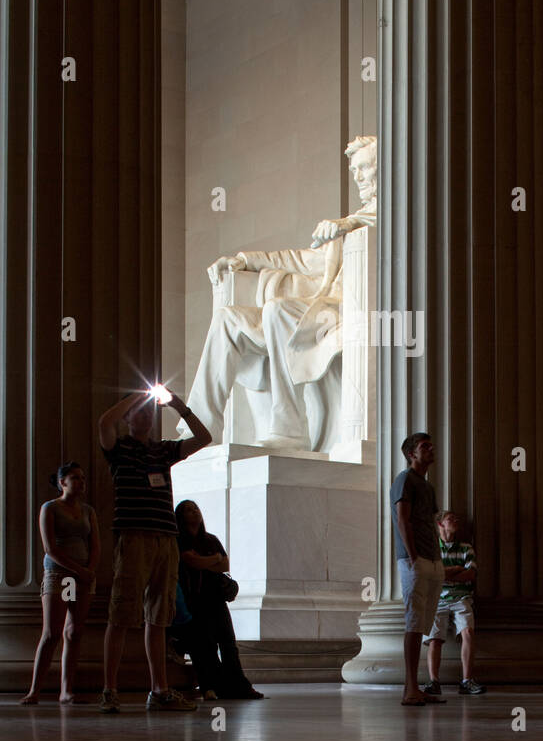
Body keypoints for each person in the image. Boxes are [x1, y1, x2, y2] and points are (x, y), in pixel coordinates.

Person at [179, 136, 378, 449]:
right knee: (227, 319)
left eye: (364, 167)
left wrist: (347, 223)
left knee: (277, 310)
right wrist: (244, 260)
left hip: (349, 311)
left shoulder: (390, 216)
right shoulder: (347, 226)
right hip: (309, 314)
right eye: (355, 170)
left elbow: (387, 227)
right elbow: (300, 260)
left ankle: (289, 429)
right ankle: (200, 427)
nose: (358, 176)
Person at [97, 386, 212, 713]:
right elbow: (105, 423)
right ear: (129, 418)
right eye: (139, 413)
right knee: (121, 614)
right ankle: (109, 690)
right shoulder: (119, 449)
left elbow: (204, 438)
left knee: (159, 618)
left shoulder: (163, 451)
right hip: (134, 536)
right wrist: (139, 396)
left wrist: (178, 406)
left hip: (165, 538)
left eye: (150, 411)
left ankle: (159, 691)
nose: (146, 416)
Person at [22, 463, 100, 705]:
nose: (80, 481)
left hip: (83, 576)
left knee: (74, 632)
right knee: (52, 633)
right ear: (61, 482)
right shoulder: (50, 508)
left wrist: (90, 571)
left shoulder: (88, 511)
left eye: (82, 477)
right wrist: (78, 570)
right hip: (60, 574)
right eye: (74, 477)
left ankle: (66, 690)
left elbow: (95, 544)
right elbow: (50, 548)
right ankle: (35, 690)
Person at [173, 500, 262, 700]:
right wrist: (212, 560)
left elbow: (224, 564)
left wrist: (206, 561)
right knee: (204, 646)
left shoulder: (210, 539)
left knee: (228, 643)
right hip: (193, 600)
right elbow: (190, 560)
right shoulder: (180, 539)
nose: (194, 512)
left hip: (215, 598)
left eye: (195, 508)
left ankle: (239, 686)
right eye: (188, 510)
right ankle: (209, 687)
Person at [391, 432, 445, 707]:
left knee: (423, 624)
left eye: (431, 445)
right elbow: (403, 520)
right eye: (425, 446)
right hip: (415, 560)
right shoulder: (405, 479)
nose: (431, 449)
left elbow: (431, 522)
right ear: (411, 454)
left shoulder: (427, 485)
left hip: (432, 559)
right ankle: (410, 688)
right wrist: (413, 556)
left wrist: (438, 558)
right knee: (413, 623)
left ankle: (414, 686)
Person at [423, 511, 485, 696]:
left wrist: (443, 573)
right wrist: (456, 569)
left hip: (462, 598)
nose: (456, 520)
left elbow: (471, 575)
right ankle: (434, 681)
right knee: (435, 639)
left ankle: (467, 681)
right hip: (437, 598)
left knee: (468, 633)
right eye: (451, 518)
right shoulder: (432, 549)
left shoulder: (466, 548)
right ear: (440, 524)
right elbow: (430, 576)